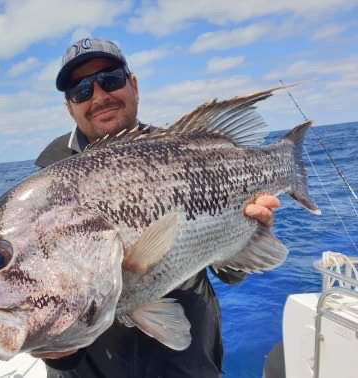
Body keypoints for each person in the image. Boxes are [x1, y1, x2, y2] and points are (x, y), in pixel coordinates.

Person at [33, 38, 280, 378]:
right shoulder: (50, 182)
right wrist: (59, 354)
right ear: (69, 107)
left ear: (133, 84)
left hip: (186, 366)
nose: (99, 96)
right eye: (81, 89)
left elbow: (228, 273)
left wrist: (252, 229)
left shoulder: (185, 151)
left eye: (111, 79)